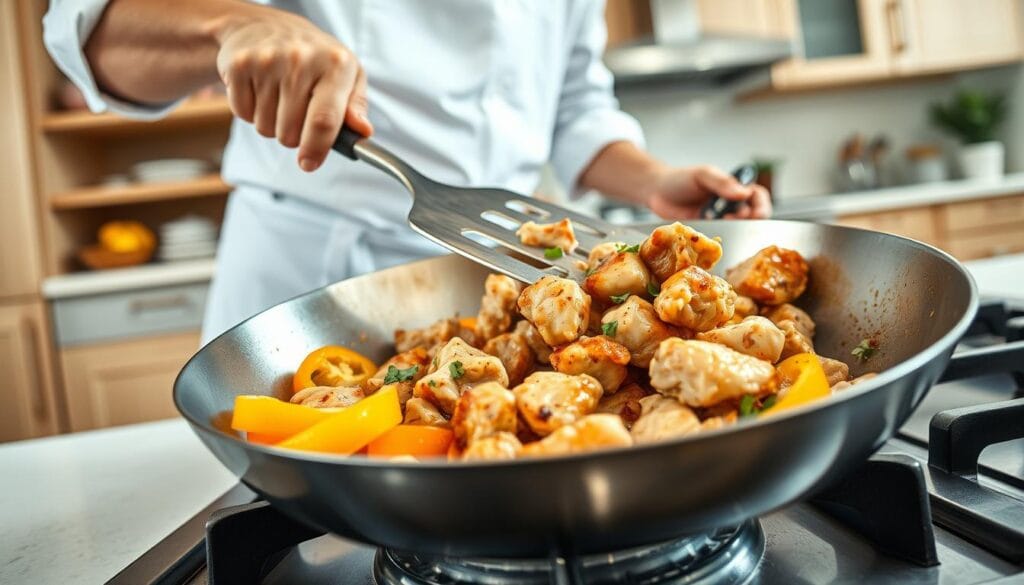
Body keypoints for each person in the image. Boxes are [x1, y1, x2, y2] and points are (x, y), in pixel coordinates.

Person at [44, 0, 771, 343]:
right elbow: (86, 33)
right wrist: (233, 25)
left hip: (502, 266)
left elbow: (575, 108)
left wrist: (651, 180)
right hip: (310, 277)